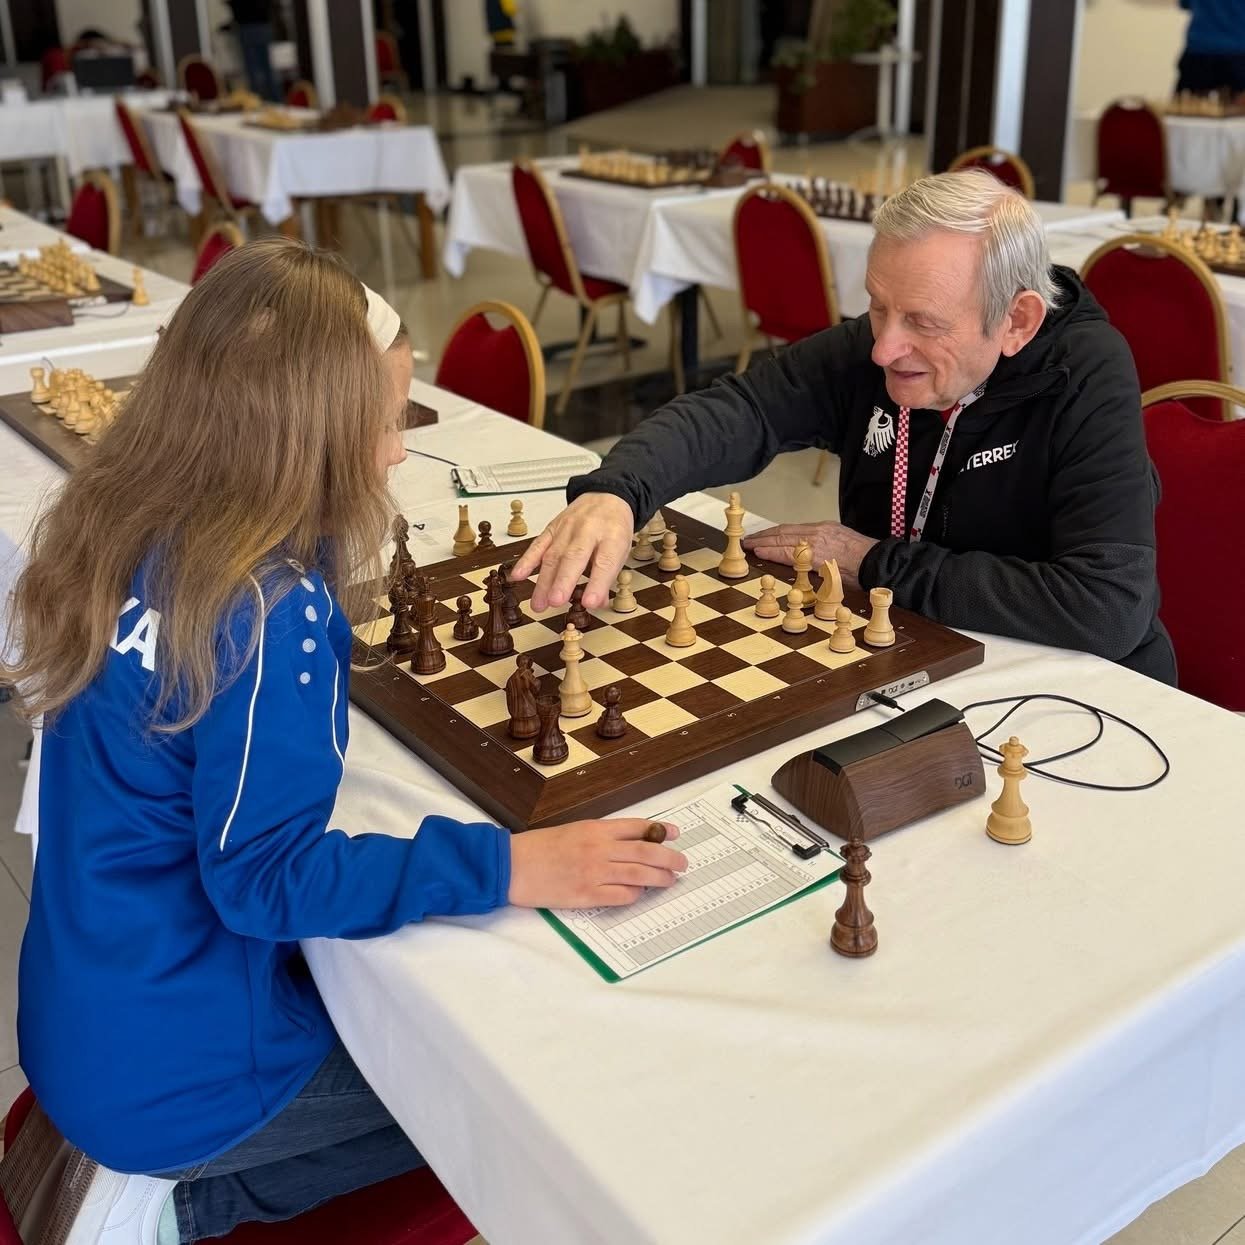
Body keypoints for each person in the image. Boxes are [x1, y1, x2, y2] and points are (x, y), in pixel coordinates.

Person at [3, 239, 685, 1245]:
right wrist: (511, 864)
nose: (400, 452)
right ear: (300, 433)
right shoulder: (264, 609)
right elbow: (263, 882)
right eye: (382, 421)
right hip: (172, 1075)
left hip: (78, 1006)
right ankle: (170, 1208)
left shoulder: (114, 519)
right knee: (500, 1100)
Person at [512, 170, 1177, 685]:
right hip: (902, 653)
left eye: (922, 321)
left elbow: (1104, 607)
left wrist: (870, 560)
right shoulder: (880, 344)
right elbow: (740, 409)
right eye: (876, 306)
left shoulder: (1083, 372)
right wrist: (618, 490)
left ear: (1017, 322)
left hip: (1075, 688)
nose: (883, 348)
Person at [1175, 0, 1245, 96]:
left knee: (1189, 106)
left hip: (1200, 48)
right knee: (1239, 107)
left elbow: (1185, 4)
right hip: (1238, 50)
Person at [227, 0, 279, 101]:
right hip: (263, 24)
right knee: (267, 69)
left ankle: (258, 102)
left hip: (247, 25)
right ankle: (275, 100)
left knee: (253, 71)